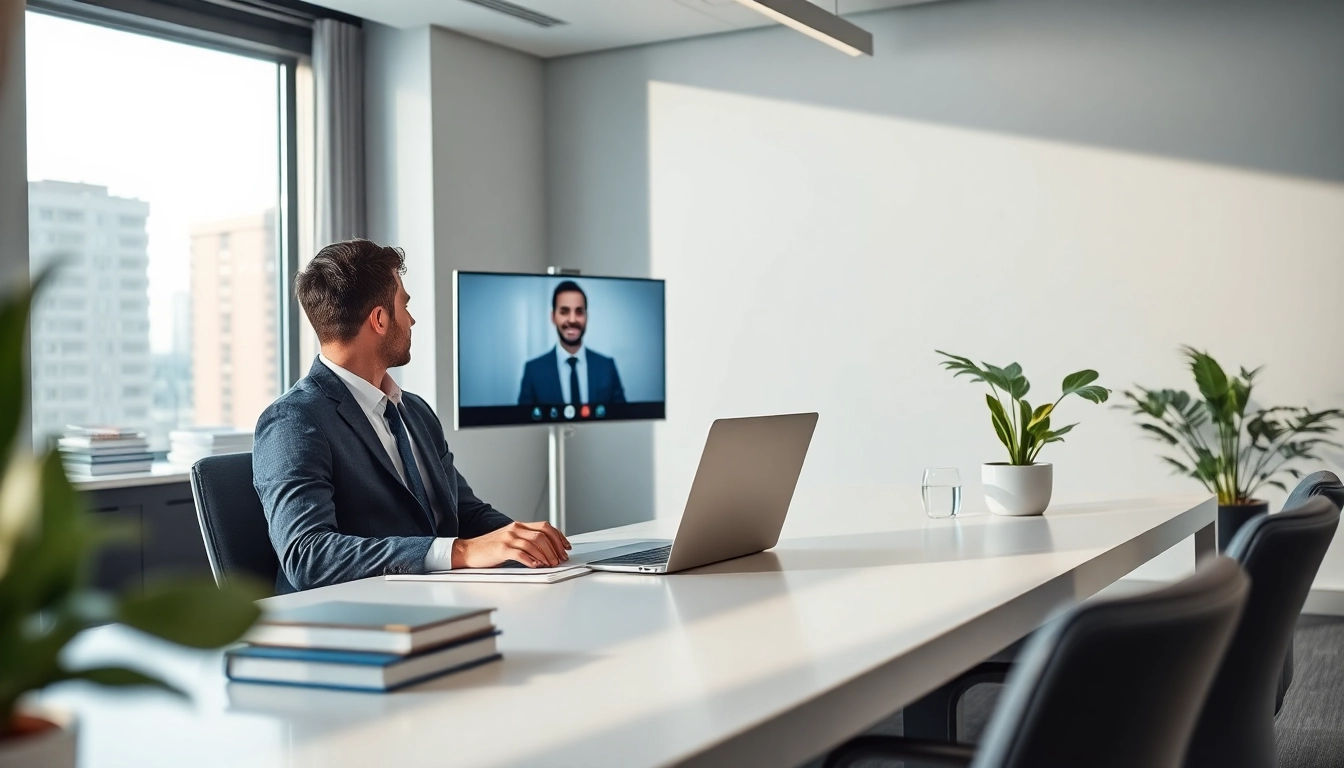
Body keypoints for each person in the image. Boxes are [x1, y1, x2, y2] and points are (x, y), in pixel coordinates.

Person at [253, 239, 570, 593]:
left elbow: (464, 513)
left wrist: (534, 546)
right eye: (404, 304)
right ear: (380, 319)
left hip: (435, 601)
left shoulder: (414, 410)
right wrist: (460, 551)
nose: (412, 318)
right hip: (352, 622)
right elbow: (308, 555)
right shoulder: (293, 421)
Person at [518, 280, 627, 406]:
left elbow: (621, 420)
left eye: (579, 312)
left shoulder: (607, 367)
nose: (572, 320)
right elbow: (523, 422)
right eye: (564, 312)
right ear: (553, 317)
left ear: (587, 317)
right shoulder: (533, 370)